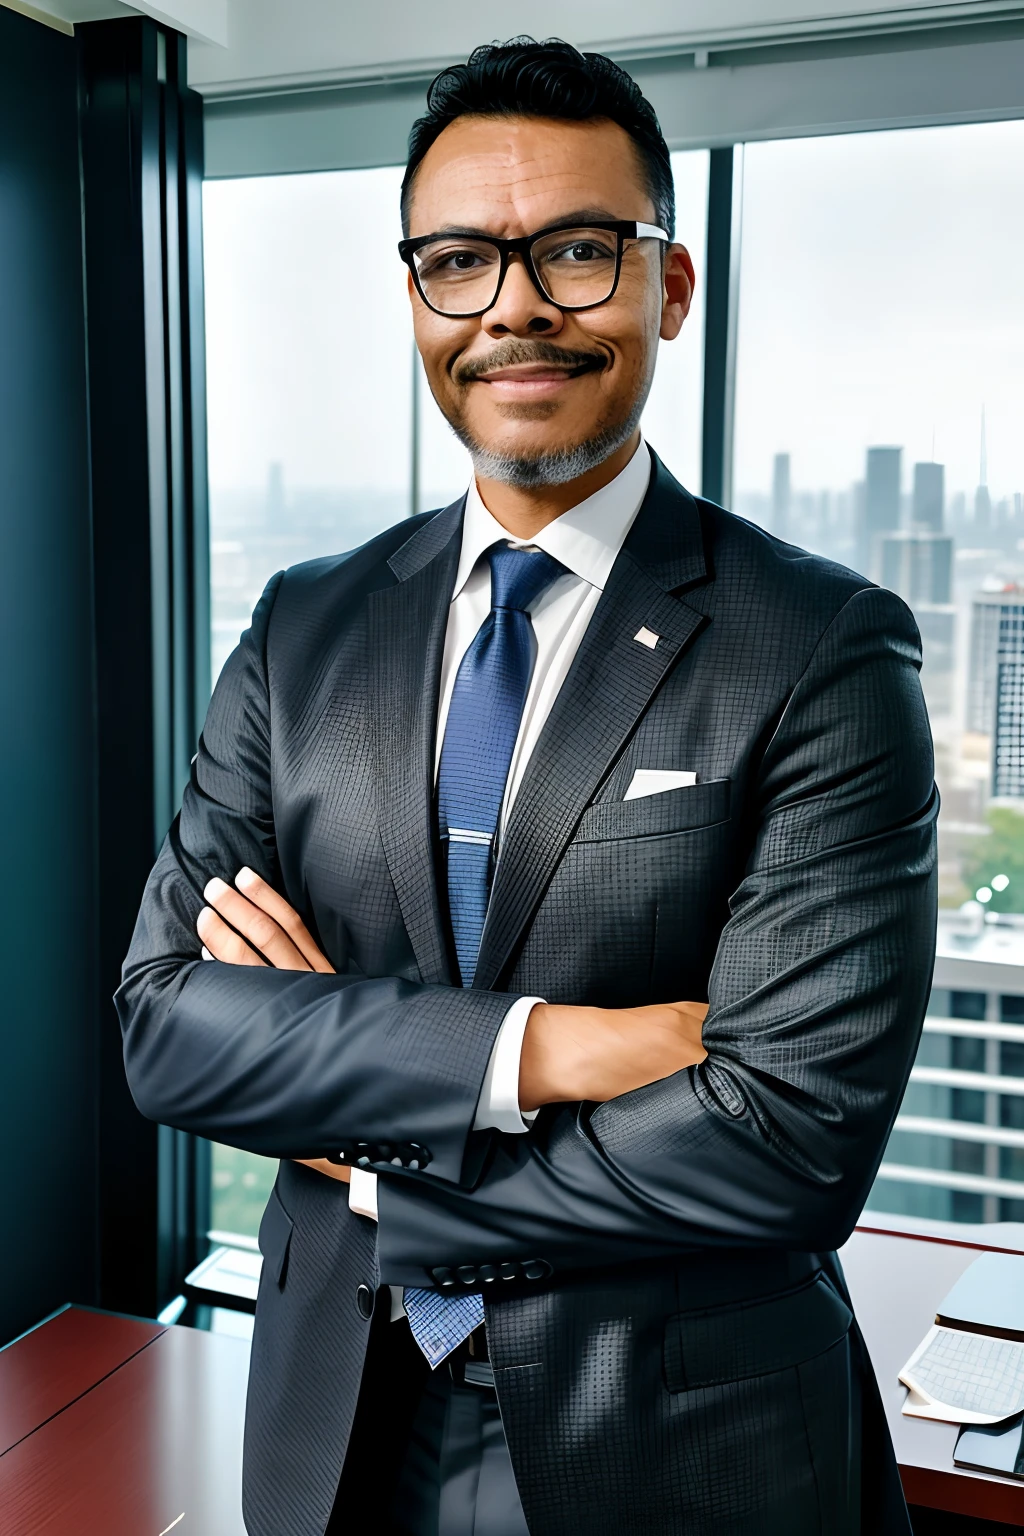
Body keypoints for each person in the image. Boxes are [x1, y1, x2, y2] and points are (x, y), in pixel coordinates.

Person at [117, 37, 938, 1536]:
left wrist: (386, 1172)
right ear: (415, 295)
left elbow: (791, 1135)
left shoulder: (818, 645)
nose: (512, 307)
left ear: (668, 288)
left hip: (682, 1450)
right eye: (458, 261)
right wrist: (544, 1051)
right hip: (340, 1425)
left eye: (574, 251)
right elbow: (169, 1028)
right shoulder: (307, 627)